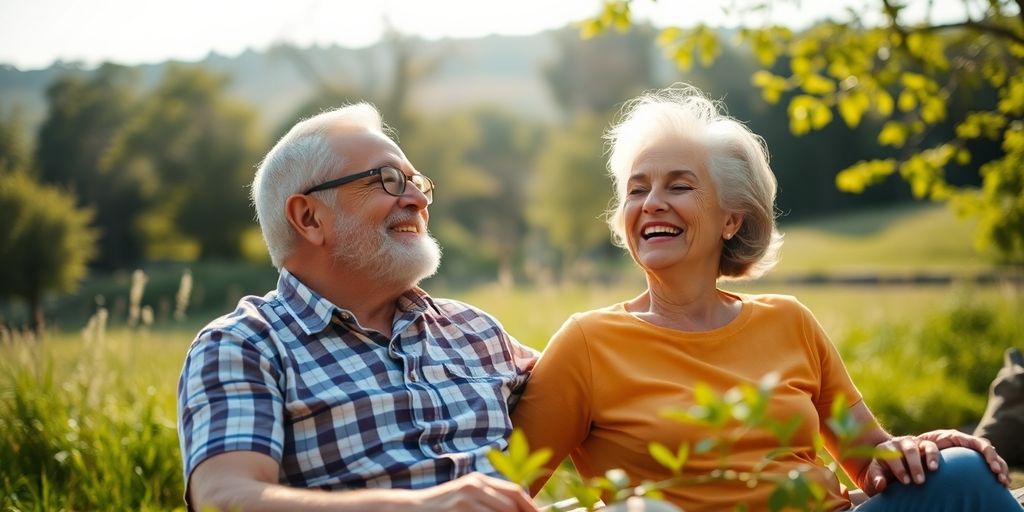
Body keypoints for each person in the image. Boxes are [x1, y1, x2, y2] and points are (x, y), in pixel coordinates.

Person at [511, 84, 1021, 511]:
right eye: (637, 189)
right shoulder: (587, 342)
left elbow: (870, 460)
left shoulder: (788, 320)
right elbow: (504, 488)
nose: (652, 204)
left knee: (964, 471)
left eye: (679, 186)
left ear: (731, 219)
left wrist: (916, 449)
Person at [177, 103, 539, 512]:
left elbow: (593, 373)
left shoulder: (475, 330)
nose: (419, 199)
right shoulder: (244, 345)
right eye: (389, 180)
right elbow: (223, 497)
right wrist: (418, 507)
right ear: (309, 217)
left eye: (417, 181)